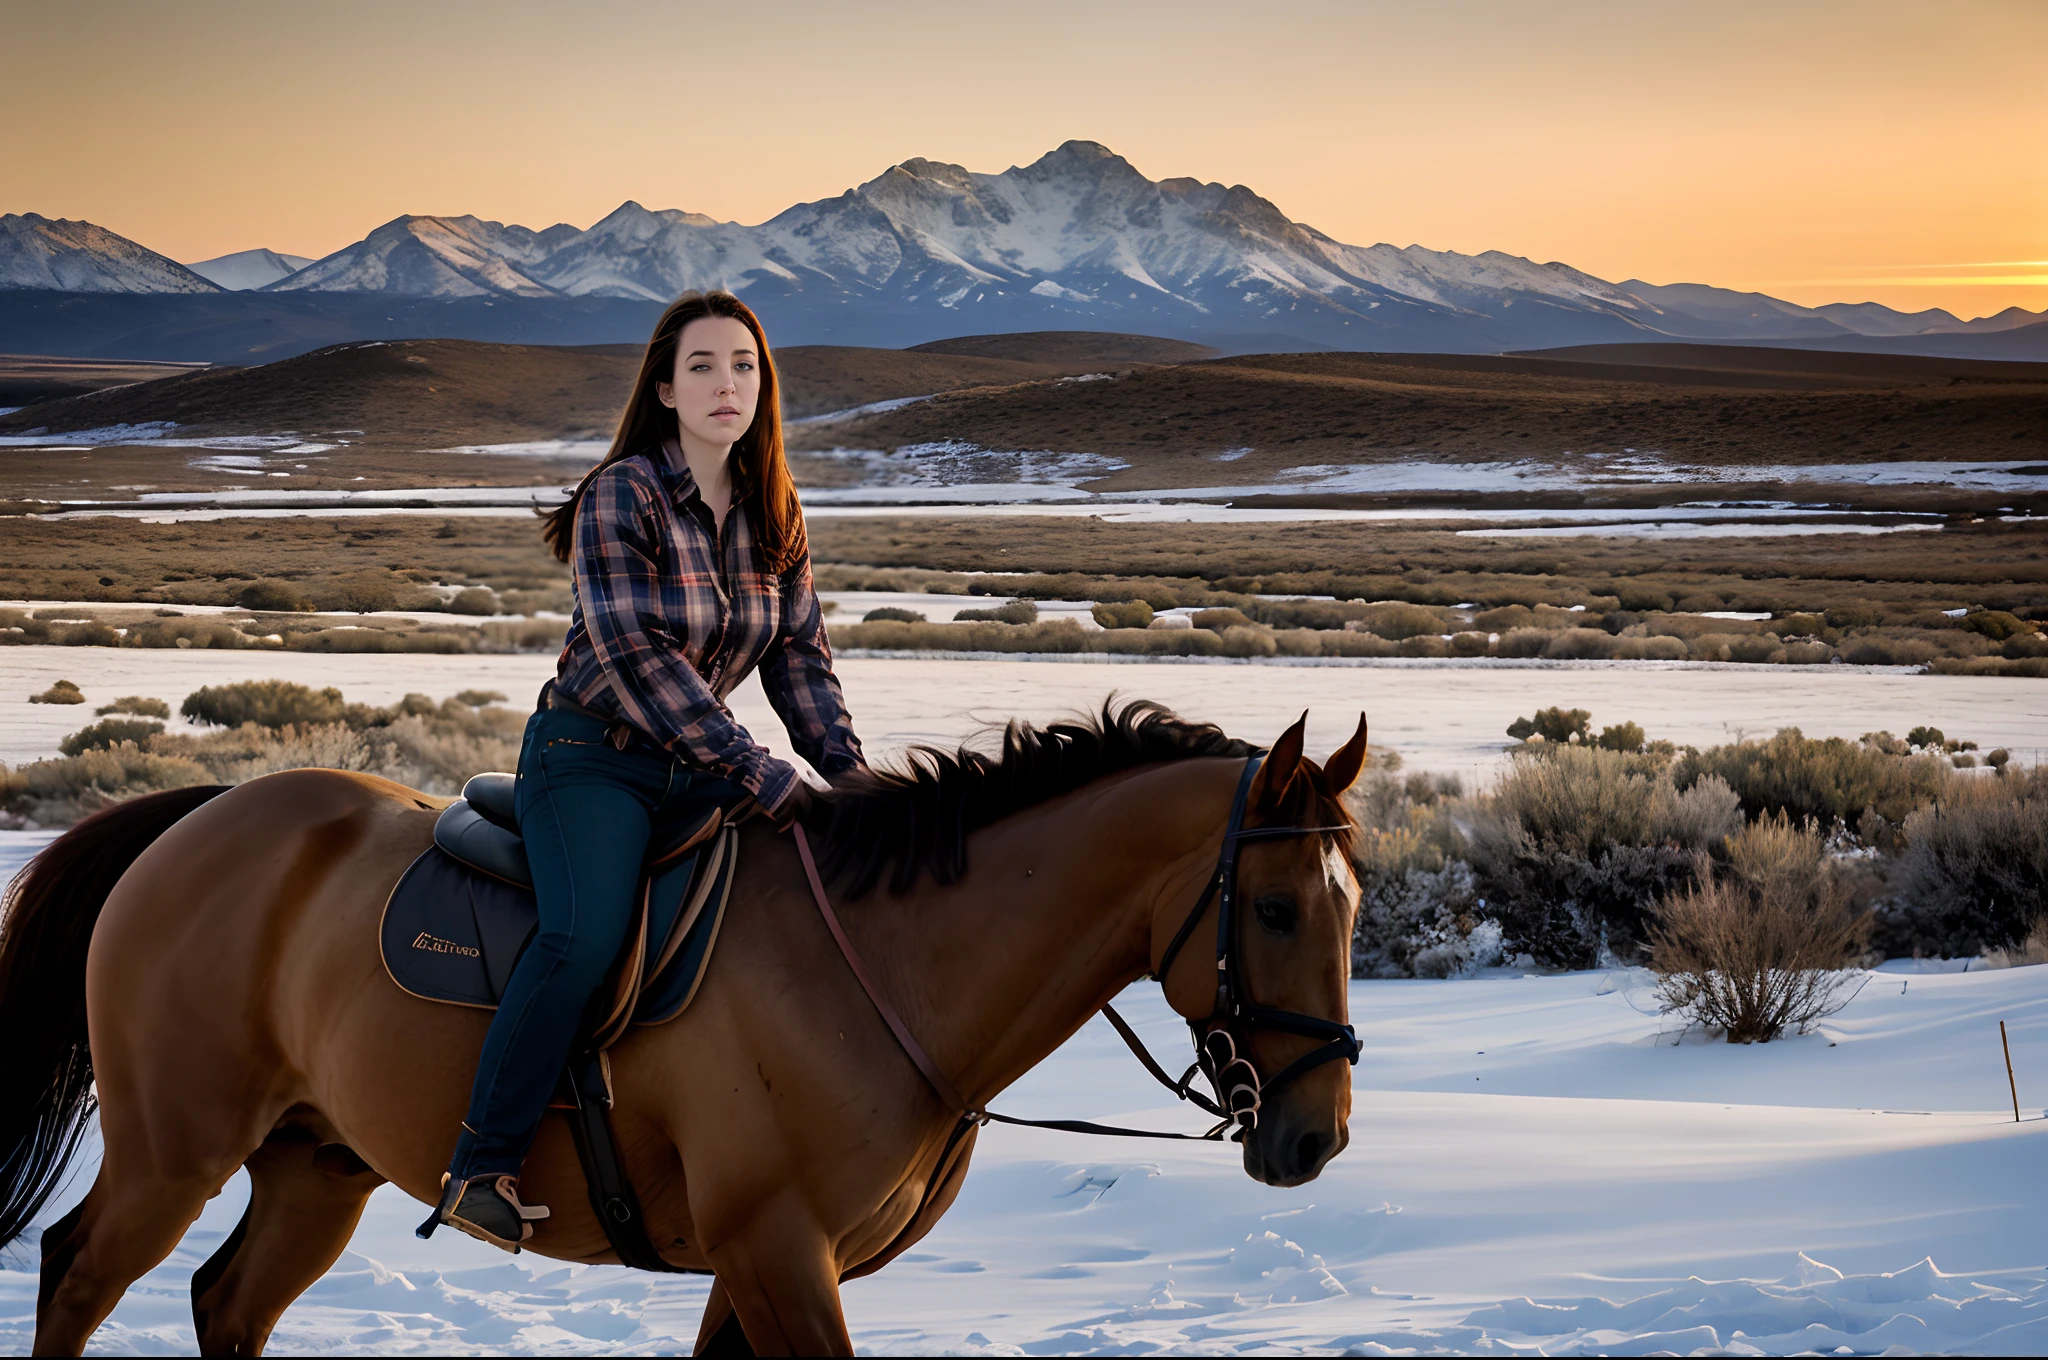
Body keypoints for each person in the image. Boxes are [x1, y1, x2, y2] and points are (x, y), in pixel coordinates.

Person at [427, 290, 864, 1250]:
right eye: (703, 366)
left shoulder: (774, 513)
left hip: (703, 766)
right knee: (583, 939)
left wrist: (852, 779)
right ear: (664, 388)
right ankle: (481, 1164)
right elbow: (636, 656)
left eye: (744, 366)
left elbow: (801, 663)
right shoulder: (621, 495)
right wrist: (755, 766)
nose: (726, 385)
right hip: (594, 760)